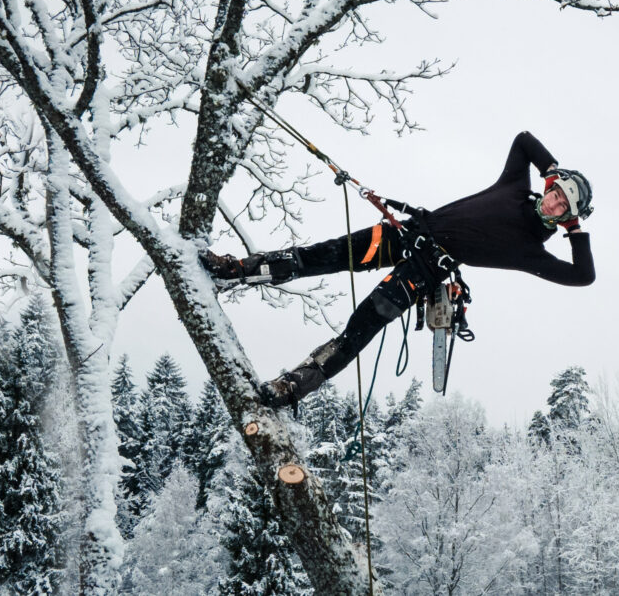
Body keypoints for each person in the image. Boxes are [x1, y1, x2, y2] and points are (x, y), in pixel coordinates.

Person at [202, 131, 595, 409]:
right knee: (321, 255)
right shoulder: (514, 185)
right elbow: (524, 139)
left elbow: (583, 275)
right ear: (550, 186)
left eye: (564, 208)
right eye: (556, 193)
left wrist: (577, 232)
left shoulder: (533, 251)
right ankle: (236, 270)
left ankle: (293, 386)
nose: (555, 204)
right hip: (405, 234)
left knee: (361, 326)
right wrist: (551, 169)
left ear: (566, 219)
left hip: (424, 272)